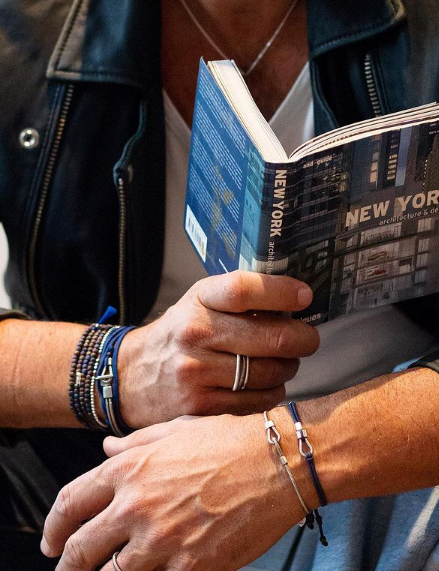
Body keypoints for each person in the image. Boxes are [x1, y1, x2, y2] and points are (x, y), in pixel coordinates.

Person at [1, 0, 439, 569]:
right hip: (107, 465)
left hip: (389, 456)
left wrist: (287, 460)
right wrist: (123, 366)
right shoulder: (21, 32)